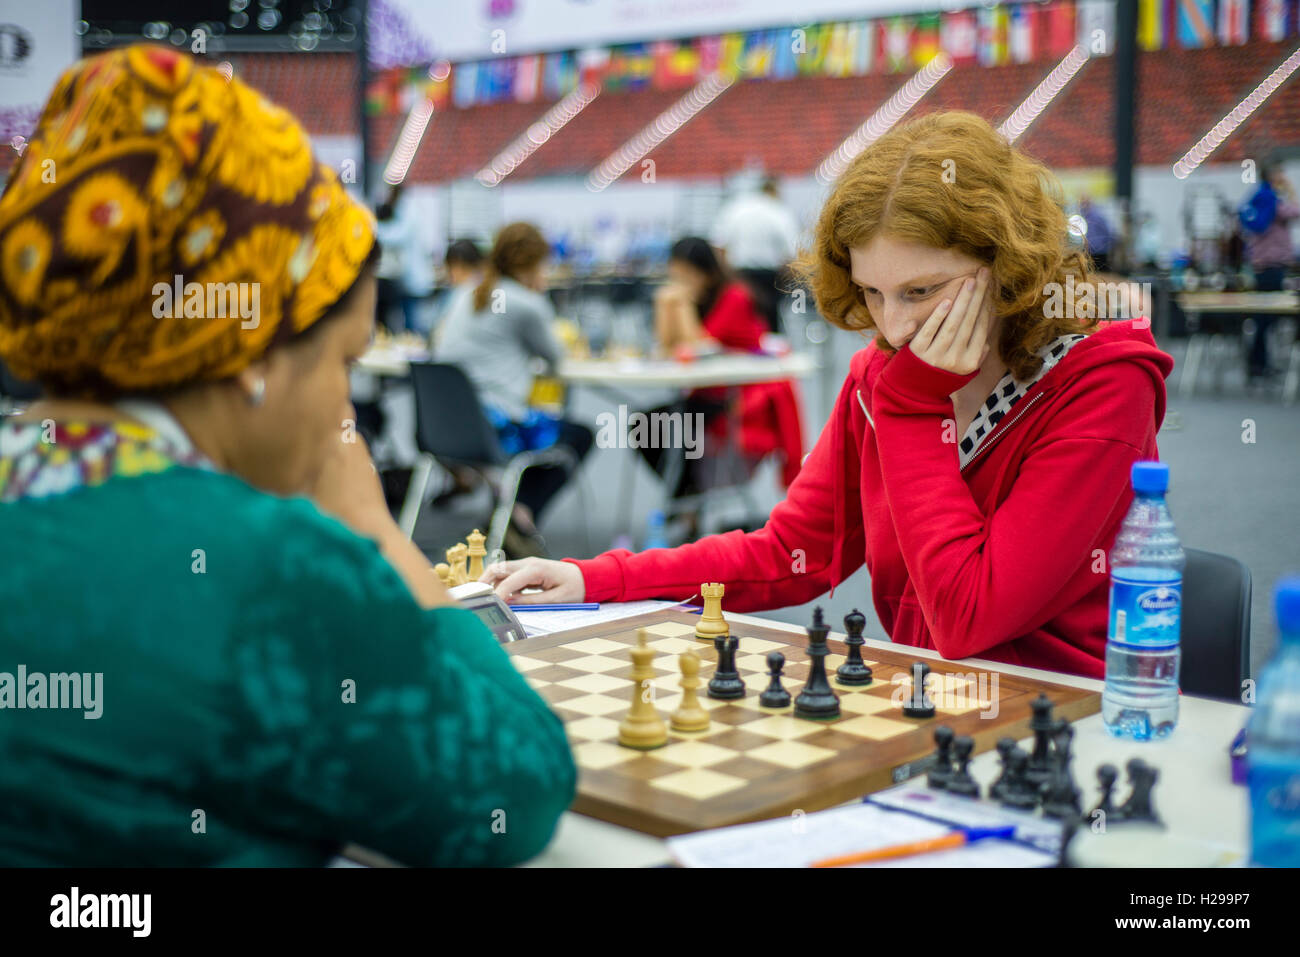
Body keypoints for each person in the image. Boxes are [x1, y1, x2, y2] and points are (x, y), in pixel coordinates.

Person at [0, 45, 574, 866]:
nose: (343, 406)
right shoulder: (272, 571)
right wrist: (373, 528)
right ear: (252, 358)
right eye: (340, 362)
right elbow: (517, 787)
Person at [483, 110, 1174, 681]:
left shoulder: (1102, 382)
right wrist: (595, 578)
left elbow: (967, 616)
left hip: (1065, 716)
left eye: (922, 291)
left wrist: (911, 408)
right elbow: (793, 552)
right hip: (923, 701)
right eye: (874, 293)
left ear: (1008, 265)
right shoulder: (885, 372)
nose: (894, 327)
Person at [436, 222, 593, 555]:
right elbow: (556, 359)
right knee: (577, 434)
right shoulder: (526, 303)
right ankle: (519, 516)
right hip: (494, 427)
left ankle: (508, 514)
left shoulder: (467, 293)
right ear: (534, 264)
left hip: (446, 426)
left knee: (541, 425)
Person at [647, 237, 804, 512]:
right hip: (706, 391)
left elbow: (696, 347)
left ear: (705, 272)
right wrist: (664, 305)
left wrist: (680, 304)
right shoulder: (699, 297)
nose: (679, 283)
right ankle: (685, 499)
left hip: (739, 397)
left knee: (663, 423)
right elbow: (666, 346)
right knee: (646, 425)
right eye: (675, 276)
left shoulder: (734, 297)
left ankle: (684, 503)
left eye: (685, 276)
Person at [711, 176, 802, 333]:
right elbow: (792, 251)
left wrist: (727, 276)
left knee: (742, 317)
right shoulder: (777, 210)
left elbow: (719, 246)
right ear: (774, 190)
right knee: (769, 320)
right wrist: (789, 281)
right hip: (768, 276)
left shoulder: (736, 207)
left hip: (739, 274)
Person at [1240, 163, 1299, 380]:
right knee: (1267, 318)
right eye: (1281, 172)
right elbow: (1296, 211)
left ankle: (1258, 363)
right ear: (1273, 174)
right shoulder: (1272, 199)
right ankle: (1259, 364)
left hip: (1260, 265)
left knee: (1263, 318)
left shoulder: (1256, 198)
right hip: (1272, 266)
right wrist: (1290, 189)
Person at [1078, 195, 1114, 274]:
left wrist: (1106, 247)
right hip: (1089, 252)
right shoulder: (1083, 217)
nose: (1082, 205)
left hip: (1099, 253)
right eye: (1081, 202)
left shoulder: (1097, 217)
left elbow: (1108, 233)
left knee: (1101, 276)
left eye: (1084, 202)